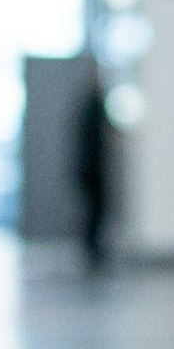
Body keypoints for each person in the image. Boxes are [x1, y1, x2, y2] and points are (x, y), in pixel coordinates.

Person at [74, 77, 111, 270]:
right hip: (93, 171)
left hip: (91, 170)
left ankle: (92, 248)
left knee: (94, 211)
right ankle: (92, 248)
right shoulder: (94, 108)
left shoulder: (89, 108)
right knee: (94, 211)